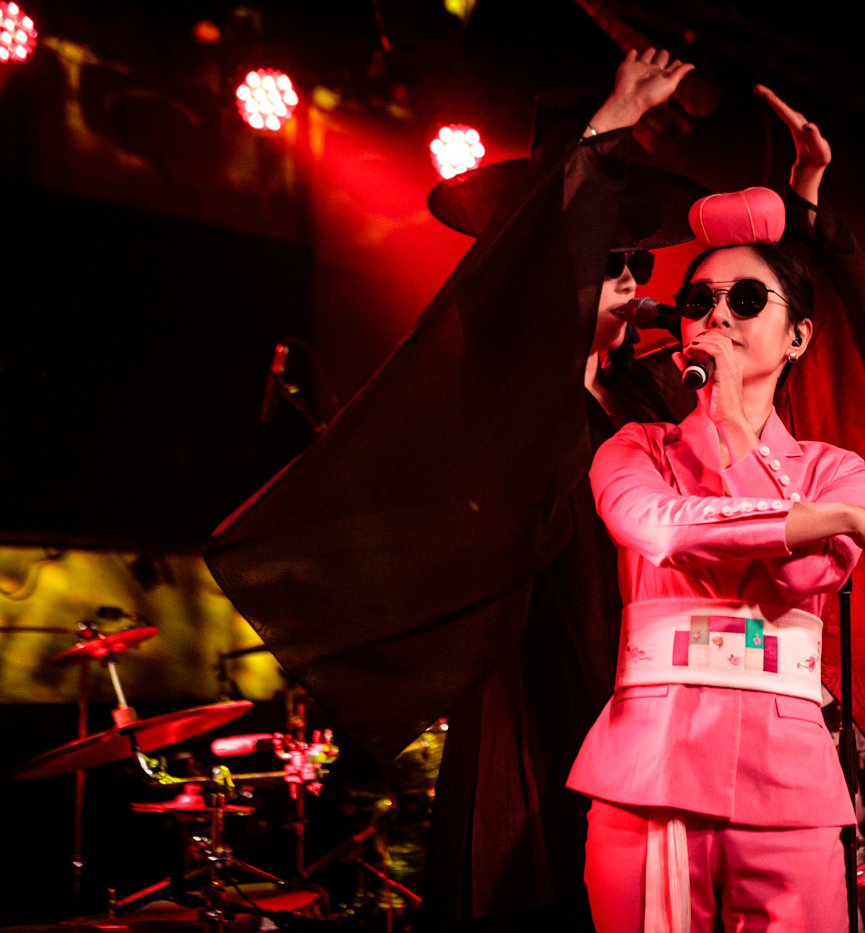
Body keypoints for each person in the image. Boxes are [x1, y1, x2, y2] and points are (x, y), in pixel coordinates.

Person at [205, 49, 708, 929]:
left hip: (641, 669)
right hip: (541, 674)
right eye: (607, 255)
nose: (631, 276)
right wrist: (605, 127)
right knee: (541, 878)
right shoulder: (511, 394)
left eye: (637, 257)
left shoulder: (648, 393)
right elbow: (532, 270)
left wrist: (802, 205)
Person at [567, 186, 865, 931]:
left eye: (745, 299)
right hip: (651, 767)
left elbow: (804, 575)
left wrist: (737, 421)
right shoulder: (636, 447)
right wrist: (841, 520)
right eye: (698, 301)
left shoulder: (835, 469)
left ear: (798, 336)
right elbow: (663, 530)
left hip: (789, 777)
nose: (717, 317)